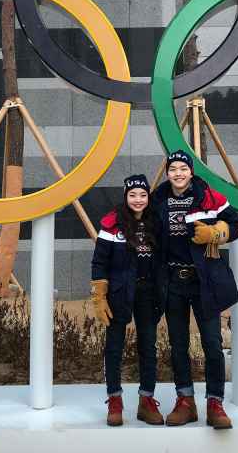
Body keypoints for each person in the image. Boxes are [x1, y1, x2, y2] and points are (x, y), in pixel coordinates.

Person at [151, 150, 238, 429]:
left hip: (204, 282)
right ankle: (185, 402)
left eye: (182, 168)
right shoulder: (157, 200)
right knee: (177, 345)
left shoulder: (209, 197)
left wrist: (216, 233)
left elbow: (236, 224)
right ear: (167, 173)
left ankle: (215, 403)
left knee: (212, 344)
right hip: (172, 282)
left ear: (191, 171)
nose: (177, 173)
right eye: (173, 169)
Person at [90, 174, 164, 427]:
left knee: (148, 346)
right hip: (120, 294)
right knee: (114, 347)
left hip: (148, 293)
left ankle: (146, 400)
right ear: (125, 196)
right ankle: (114, 400)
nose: (138, 200)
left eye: (143, 195)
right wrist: (99, 295)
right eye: (133, 195)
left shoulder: (156, 222)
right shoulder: (112, 224)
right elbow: (99, 262)